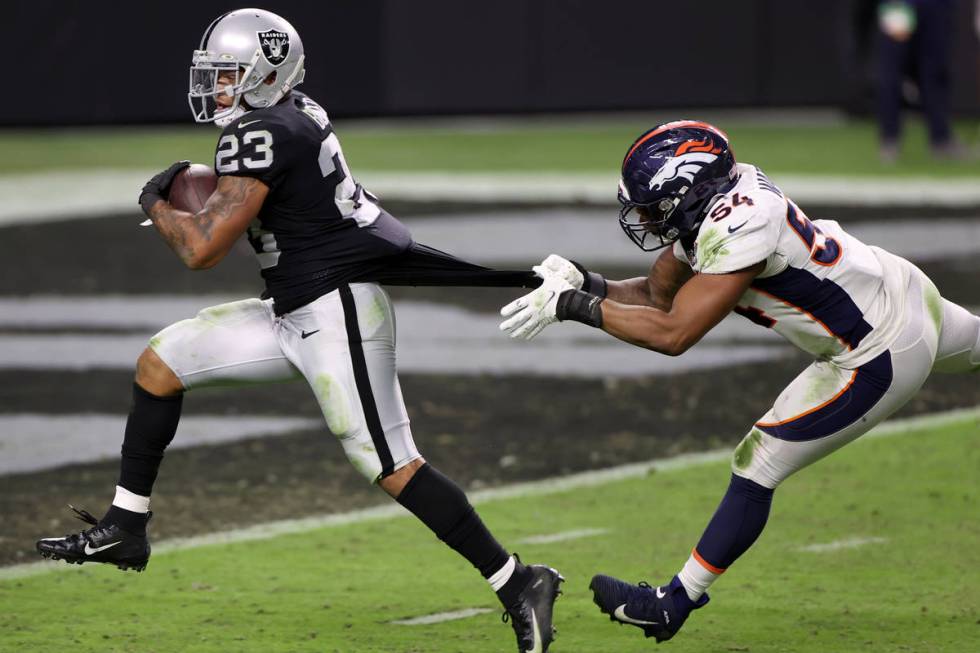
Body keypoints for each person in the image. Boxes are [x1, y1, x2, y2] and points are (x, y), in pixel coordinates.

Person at [35, 9, 562, 653]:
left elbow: (201, 250)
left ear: (267, 75)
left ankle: (519, 582)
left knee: (391, 465)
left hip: (337, 310)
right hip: (292, 306)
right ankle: (126, 524)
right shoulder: (295, 112)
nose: (218, 89)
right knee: (160, 364)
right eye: (215, 75)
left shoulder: (264, 132)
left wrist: (157, 201)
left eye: (230, 75)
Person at [498, 120, 980, 643]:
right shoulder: (721, 204)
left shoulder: (737, 224)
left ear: (692, 191)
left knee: (759, 462)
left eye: (653, 204)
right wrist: (585, 281)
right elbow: (658, 298)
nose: (642, 217)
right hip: (902, 287)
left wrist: (574, 307)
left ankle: (672, 603)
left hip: (879, 348)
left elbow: (674, 332)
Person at [874, 0, 960, 161]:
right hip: (900, 4)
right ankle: (889, 139)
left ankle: (941, 138)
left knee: (935, 71)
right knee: (892, 69)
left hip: (935, 6)